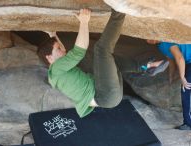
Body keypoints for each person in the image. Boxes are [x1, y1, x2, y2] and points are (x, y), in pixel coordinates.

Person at [37, 8, 167, 118]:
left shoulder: (56, 73)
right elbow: (78, 51)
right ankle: (119, 9)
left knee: (109, 61)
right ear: (49, 58)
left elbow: (63, 51)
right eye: (58, 49)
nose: (63, 49)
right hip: (104, 93)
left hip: (108, 97)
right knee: (101, 49)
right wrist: (84, 22)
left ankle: (147, 67)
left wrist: (53, 34)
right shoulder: (57, 68)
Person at [147, 39, 191, 130]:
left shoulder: (167, 42)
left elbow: (180, 58)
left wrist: (182, 78)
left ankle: (188, 123)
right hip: (189, 62)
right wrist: (170, 77)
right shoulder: (161, 46)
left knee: (186, 89)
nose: (147, 39)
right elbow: (171, 61)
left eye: (148, 36)